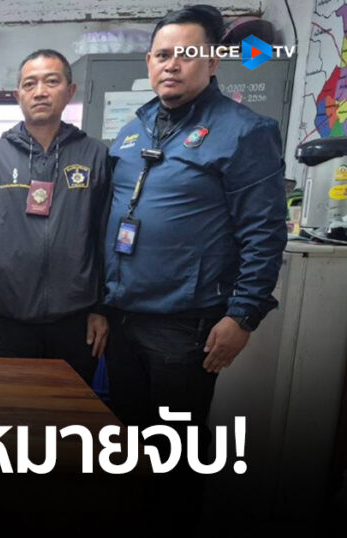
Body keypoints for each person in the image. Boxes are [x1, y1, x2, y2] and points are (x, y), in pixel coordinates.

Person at [104, 5, 286, 444]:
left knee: (176, 445)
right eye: (162, 55)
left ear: (213, 61)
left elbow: (264, 233)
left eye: (186, 54)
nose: (172, 64)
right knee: (128, 438)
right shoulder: (132, 131)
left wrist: (243, 316)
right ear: (149, 61)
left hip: (184, 326)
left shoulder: (244, 131)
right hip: (122, 316)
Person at [0, 49, 110, 385]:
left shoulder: (94, 154)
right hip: (7, 321)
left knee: (69, 410)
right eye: (30, 84)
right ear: (18, 95)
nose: (40, 91)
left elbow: (104, 236)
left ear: (70, 91)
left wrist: (102, 308)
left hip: (76, 321)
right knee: (11, 408)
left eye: (51, 81)